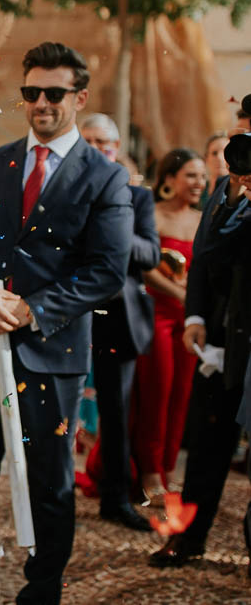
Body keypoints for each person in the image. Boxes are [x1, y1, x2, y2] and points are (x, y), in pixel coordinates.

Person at [0, 41, 132, 605]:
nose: (42, 103)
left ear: (79, 97)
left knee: (51, 486)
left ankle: (42, 589)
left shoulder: (105, 178)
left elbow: (108, 271)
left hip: (52, 356)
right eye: (32, 92)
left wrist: (30, 310)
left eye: (54, 93)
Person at [150, 133, 251, 568]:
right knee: (207, 445)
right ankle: (187, 536)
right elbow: (207, 255)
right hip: (221, 337)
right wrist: (194, 316)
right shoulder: (224, 193)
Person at [78, 113, 160, 531]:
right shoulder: (63, 194)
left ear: (116, 149)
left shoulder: (137, 198)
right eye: (87, 141)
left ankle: (115, 498)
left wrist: (114, 223)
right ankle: (49, 498)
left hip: (118, 318)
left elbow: (150, 255)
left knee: (116, 412)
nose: (95, 150)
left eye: (103, 143)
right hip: (68, 313)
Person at [133, 149, 205, 500]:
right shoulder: (153, 215)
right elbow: (145, 266)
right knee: (156, 393)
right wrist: (178, 291)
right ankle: (149, 472)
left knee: (182, 395)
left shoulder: (203, 219)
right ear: (170, 179)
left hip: (190, 320)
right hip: (157, 313)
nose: (199, 183)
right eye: (191, 175)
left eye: (202, 177)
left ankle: (170, 469)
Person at [202, 132, 229, 207]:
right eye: (214, 153)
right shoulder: (199, 189)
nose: (219, 158)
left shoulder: (242, 191)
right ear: (206, 159)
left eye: (225, 152)